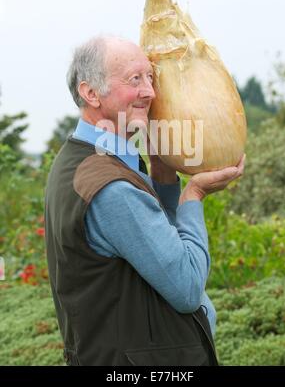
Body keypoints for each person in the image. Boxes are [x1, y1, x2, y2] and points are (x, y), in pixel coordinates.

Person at [44, 35, 245, 366]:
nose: (150, 92)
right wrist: (193, 194)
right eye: (134, 79)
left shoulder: (83, 159)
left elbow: (151, 240)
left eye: (150, 78)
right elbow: (187, 287)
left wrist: (163, 175)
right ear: (90, 93)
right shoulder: (110, 187)